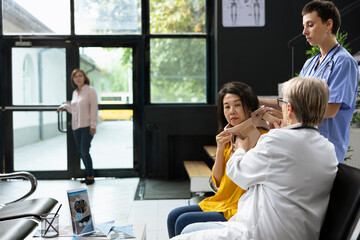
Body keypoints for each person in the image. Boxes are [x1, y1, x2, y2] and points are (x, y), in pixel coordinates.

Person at [173, 76, 338, 240]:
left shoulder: (275, 140)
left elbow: (238, 174)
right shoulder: (328, 148)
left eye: (282, 102)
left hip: (263, 233)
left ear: (289, 109)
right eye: (227, 106)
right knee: (187, 227)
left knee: (182, 234)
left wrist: (241, 149)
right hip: (297, 231)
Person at [260, 0, 359, 163]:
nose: (304, 32)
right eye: (304, 26)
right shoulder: (310, 63)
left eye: (310, 25)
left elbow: (329, 110)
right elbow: (292, 104)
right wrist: (256, 102)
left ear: (328, 24)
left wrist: (287, 112)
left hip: (325, 151)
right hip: (302, 145)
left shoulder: (344, 62)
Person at [167, 82, 268, 238]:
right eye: (227, 107)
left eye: (237, 105)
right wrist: (220, 149)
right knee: (173, 216)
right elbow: (218, 182)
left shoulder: (261, 137)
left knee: (182, 221)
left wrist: (242, 149)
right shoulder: (230, 136)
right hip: (221, 201)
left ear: (249, 107)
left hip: (238, 209)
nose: (232, 111)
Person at [57, 69, 98, 185]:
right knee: (81, 151)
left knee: (85, 151)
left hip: (87, 126)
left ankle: (90, 176)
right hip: (76, 126)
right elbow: (74, 110)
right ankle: (88, 175)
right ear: (73, 80)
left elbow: (94, 108)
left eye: (80, 76)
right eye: (75, 77)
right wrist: (64, 106)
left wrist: (93, 125)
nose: (78, 78)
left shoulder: (90, 91)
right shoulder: (75, 93)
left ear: (84, 78)